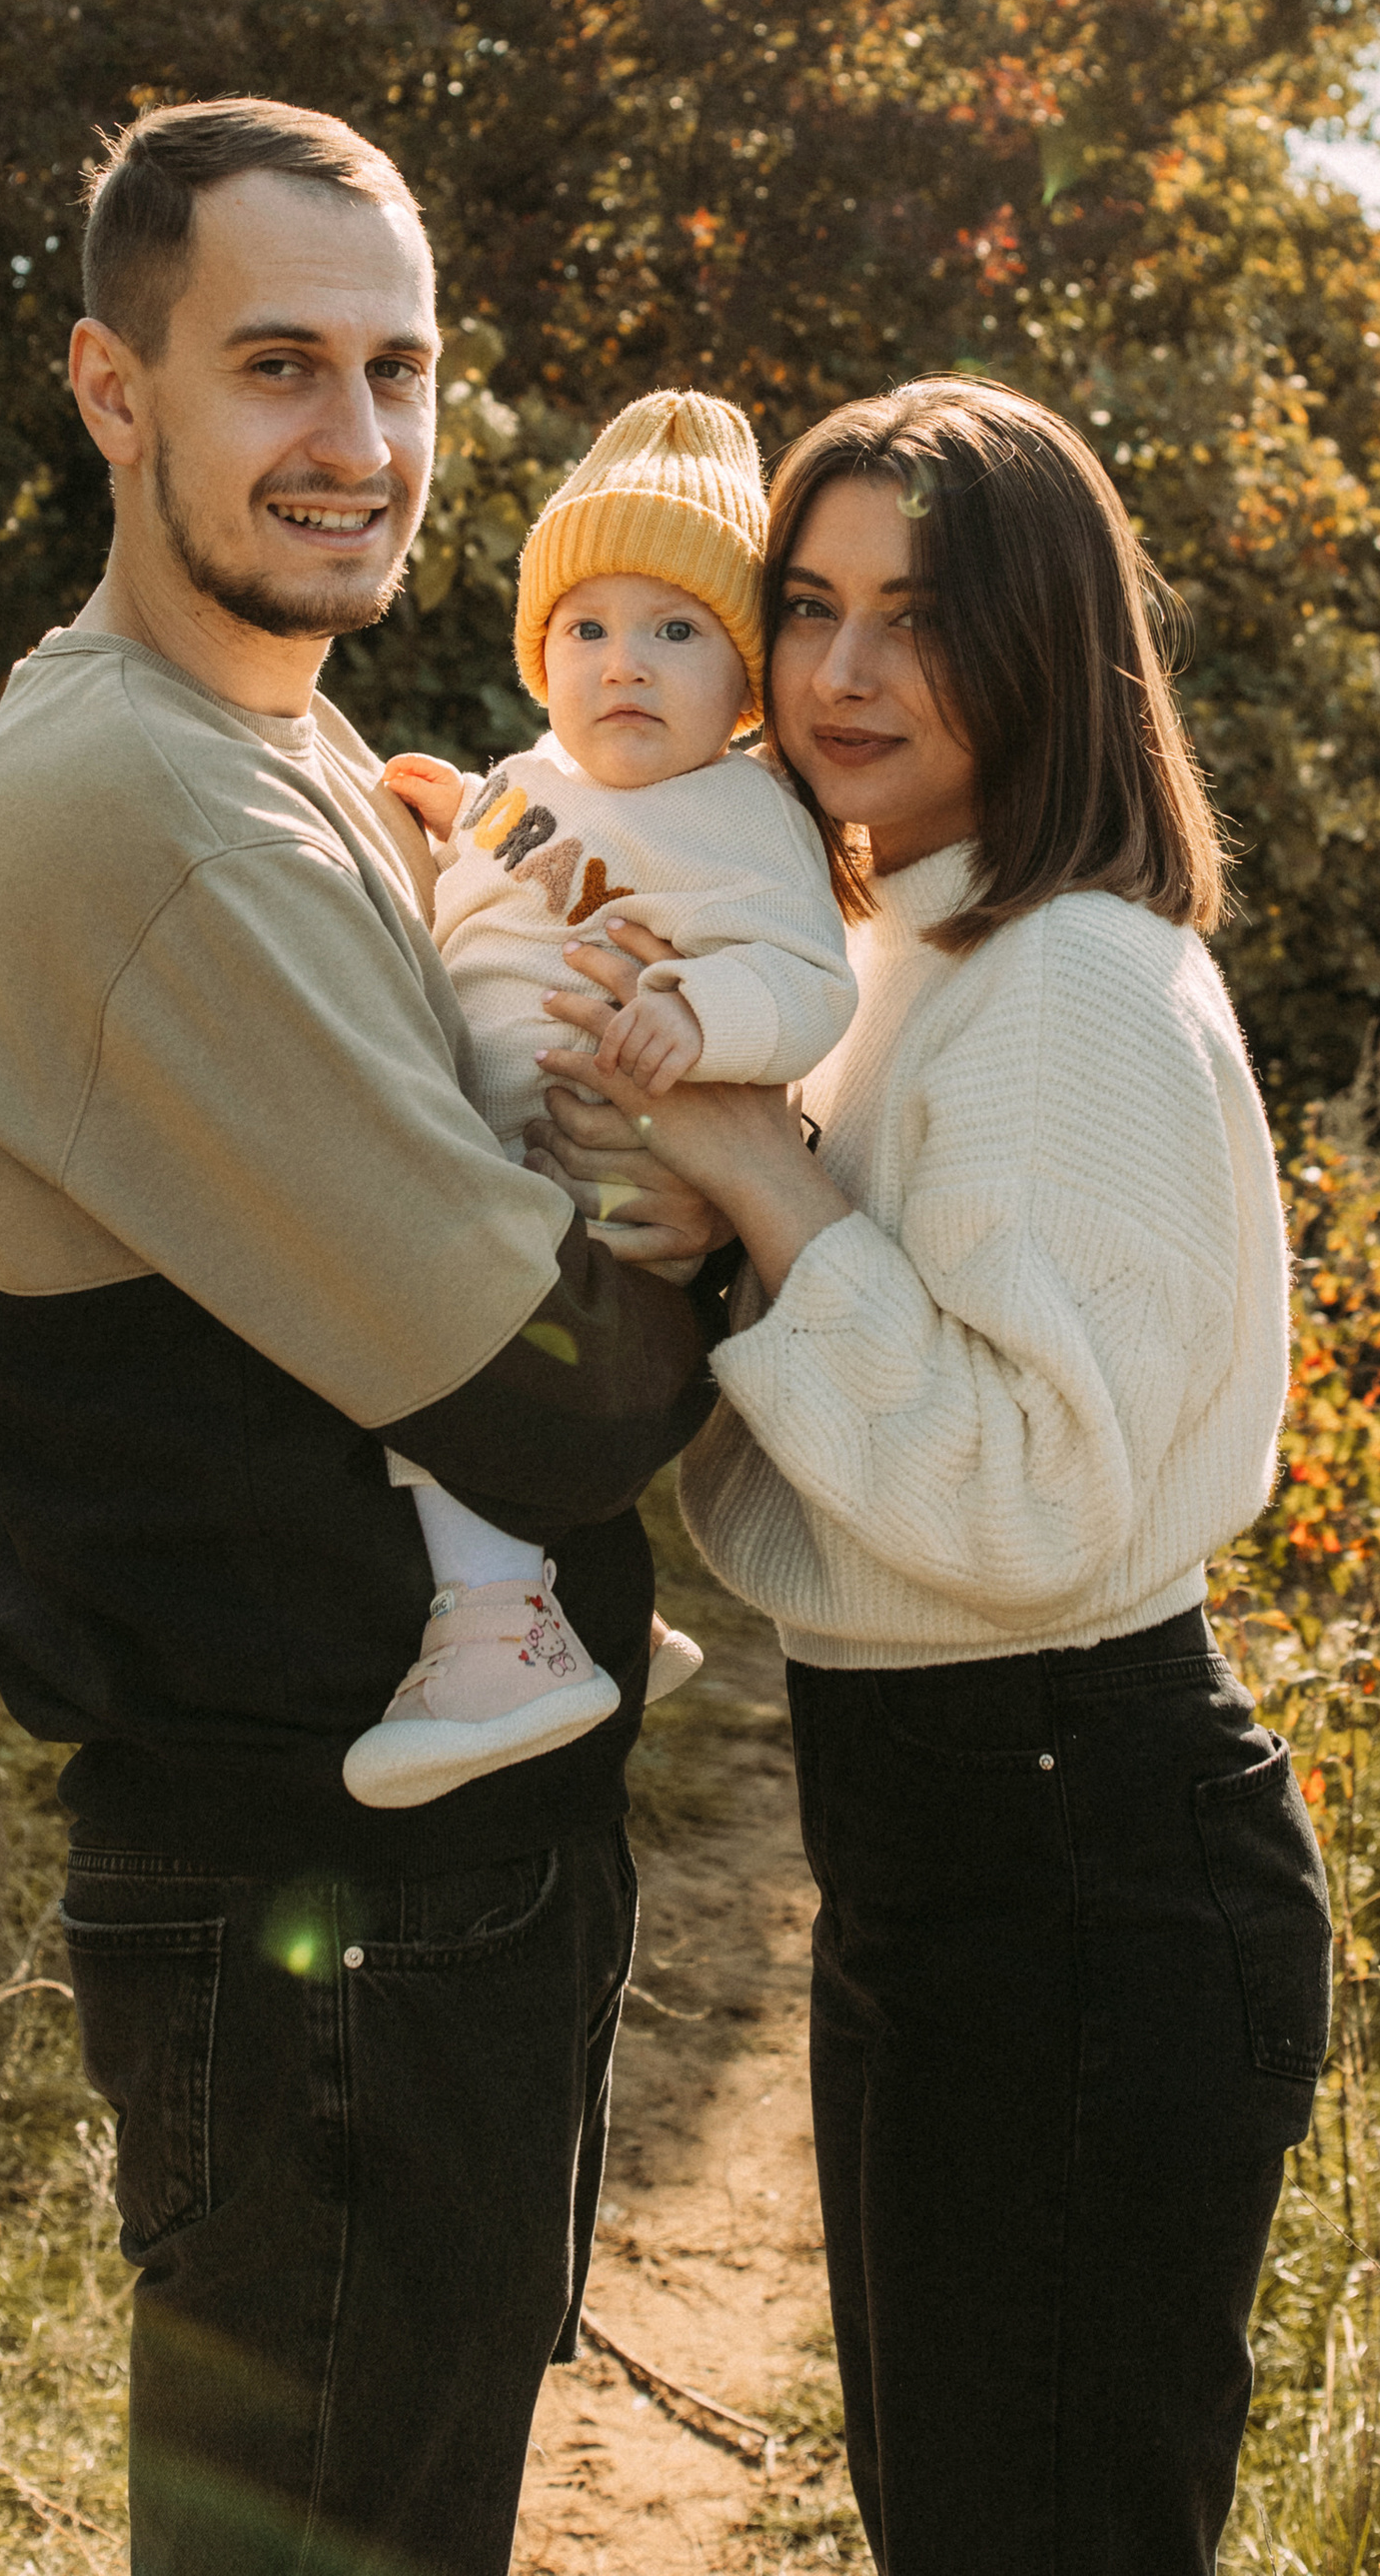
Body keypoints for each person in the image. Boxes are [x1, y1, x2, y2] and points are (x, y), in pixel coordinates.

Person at [0, 98, 735, 2576]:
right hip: (321, 1905)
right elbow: (557, 1397)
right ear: (108, 388)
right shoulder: (137, 806)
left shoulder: (287, 763)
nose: (357, 444)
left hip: (422, 1880)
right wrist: (703, 1190)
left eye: (399, 372)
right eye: (278, 366)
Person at [532, 378, 1330, 2576]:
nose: (843, 672)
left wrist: (768, 1195)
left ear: (1048, 644)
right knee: (966, 2516)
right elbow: (833, 1457)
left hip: (1083, 1847)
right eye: (806, 608)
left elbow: (1029, 1502)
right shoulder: (894, 956)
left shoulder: (1066, 978)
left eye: (919, 614)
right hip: (949, 1838)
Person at [353, 385, 855, 1807]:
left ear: (743, 684)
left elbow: (811, 986)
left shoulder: (747, 816)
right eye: (588, 628)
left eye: (674, 630)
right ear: (542, 655)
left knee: (434, 1363)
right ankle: (578, 1598)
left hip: (597, 1184)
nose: (623, 663)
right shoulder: (536, 779)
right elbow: (544, 849)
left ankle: (500, 1642)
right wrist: (463, 808)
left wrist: (697, 1020)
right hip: (502, 1144)